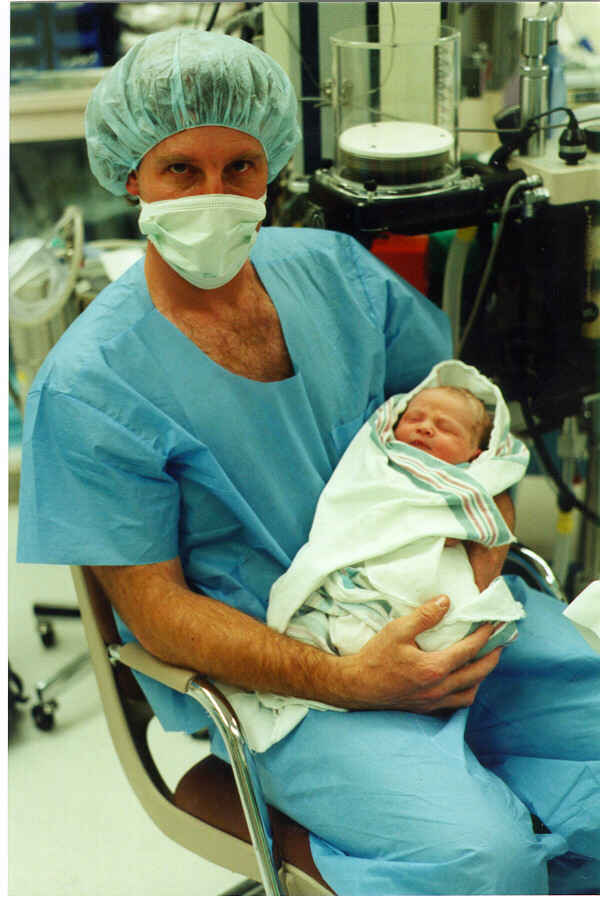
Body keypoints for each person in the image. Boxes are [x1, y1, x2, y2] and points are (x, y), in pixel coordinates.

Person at [17, 28, 600, 896]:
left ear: (273, 170)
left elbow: (467, 438)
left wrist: (482, 560)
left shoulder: (335, 274)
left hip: (449, 607)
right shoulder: (93, 386)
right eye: (182, 170)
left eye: (240, 168)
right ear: (128, 176)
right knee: (487, 862)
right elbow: (160, 611)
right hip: (290, 676)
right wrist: (351, 679)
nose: (215, 196)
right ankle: (309, 828)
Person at [223, 361, 530, 753]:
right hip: (360, 578)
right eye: (415, 417)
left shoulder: (468, 481)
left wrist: (447, 519)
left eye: (445, 427)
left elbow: (482, 513)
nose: (424, 427)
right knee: (330, 615)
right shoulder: (381, 460)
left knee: (453, 627)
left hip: (434, 587)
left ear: (475, 454)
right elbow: (357, 501)